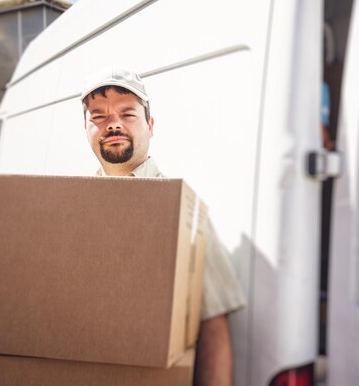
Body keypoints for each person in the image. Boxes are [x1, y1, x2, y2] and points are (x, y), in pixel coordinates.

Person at [80, 66, 246, 386]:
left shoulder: (182, 211)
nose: (112, 123)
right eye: (98, 116)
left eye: (127, 113)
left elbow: (213, 326)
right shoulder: (72, 209)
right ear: (85, 129)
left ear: (150, 126)